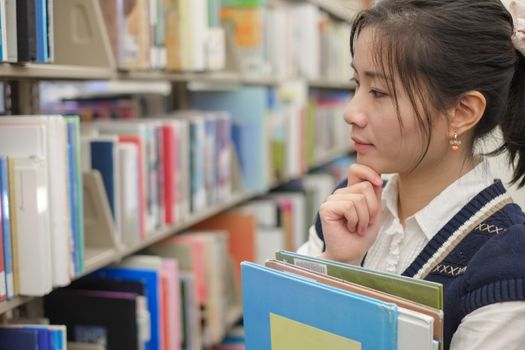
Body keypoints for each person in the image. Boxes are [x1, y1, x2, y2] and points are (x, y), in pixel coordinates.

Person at [298, 0, 525, 349]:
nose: (351, 112)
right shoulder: (349, 202)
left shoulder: (507, 258)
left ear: (462, 112)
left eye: (378, 92)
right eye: (356, 83)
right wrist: (339, 263)